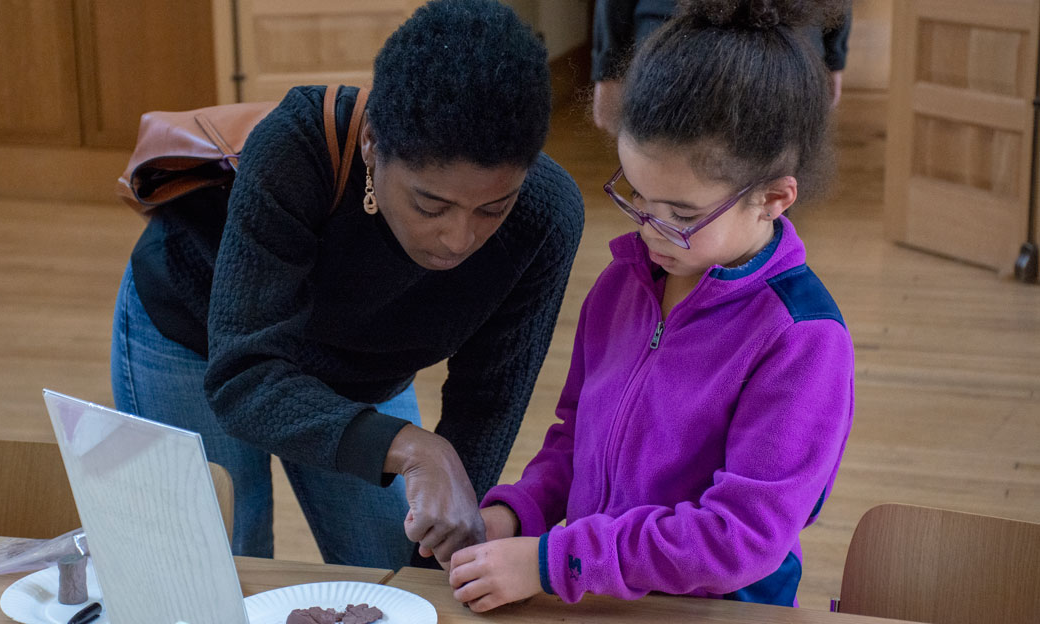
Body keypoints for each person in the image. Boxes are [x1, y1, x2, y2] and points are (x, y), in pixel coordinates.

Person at [109, 0, 584, 569]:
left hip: (358, 371)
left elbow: (487, 404)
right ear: (371, 147)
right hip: (200, 335)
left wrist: (433, 562)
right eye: (431, 204)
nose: (459, 239)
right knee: (219, 564)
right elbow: (243, 378)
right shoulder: (296, 147)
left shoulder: (546, 218)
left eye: (493, 208)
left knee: (391, 568)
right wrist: (412, 447)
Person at [447, 0, 854, 611]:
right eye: (638, 196)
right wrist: (521, 511)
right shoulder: (621, 284)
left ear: (774, 198)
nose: (652, 231)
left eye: (683, 215)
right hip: (596, 592)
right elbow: (575, 438)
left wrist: (556, 560)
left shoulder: (802, 339)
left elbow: (739, 540)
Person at [591, 0, 852, 133]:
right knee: (670, 198)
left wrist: (834, 55)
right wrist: (609, 71)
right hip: (673, 46)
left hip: (784, 46)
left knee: (768, 190)